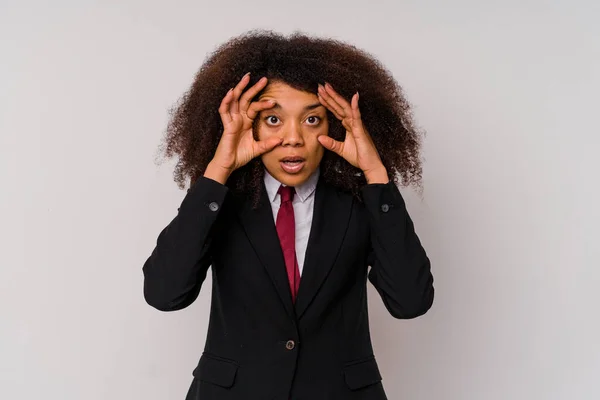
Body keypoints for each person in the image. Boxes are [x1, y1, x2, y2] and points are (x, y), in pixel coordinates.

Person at [143, 29, 434, 400]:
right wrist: (217, 170)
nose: (293, 138)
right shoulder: (219, 204)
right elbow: (164, 294)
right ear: (249, 124)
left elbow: (411, 302)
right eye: (274, 120)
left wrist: (376, 176)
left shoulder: (363, 205)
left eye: (312, 120)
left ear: (335, 126)